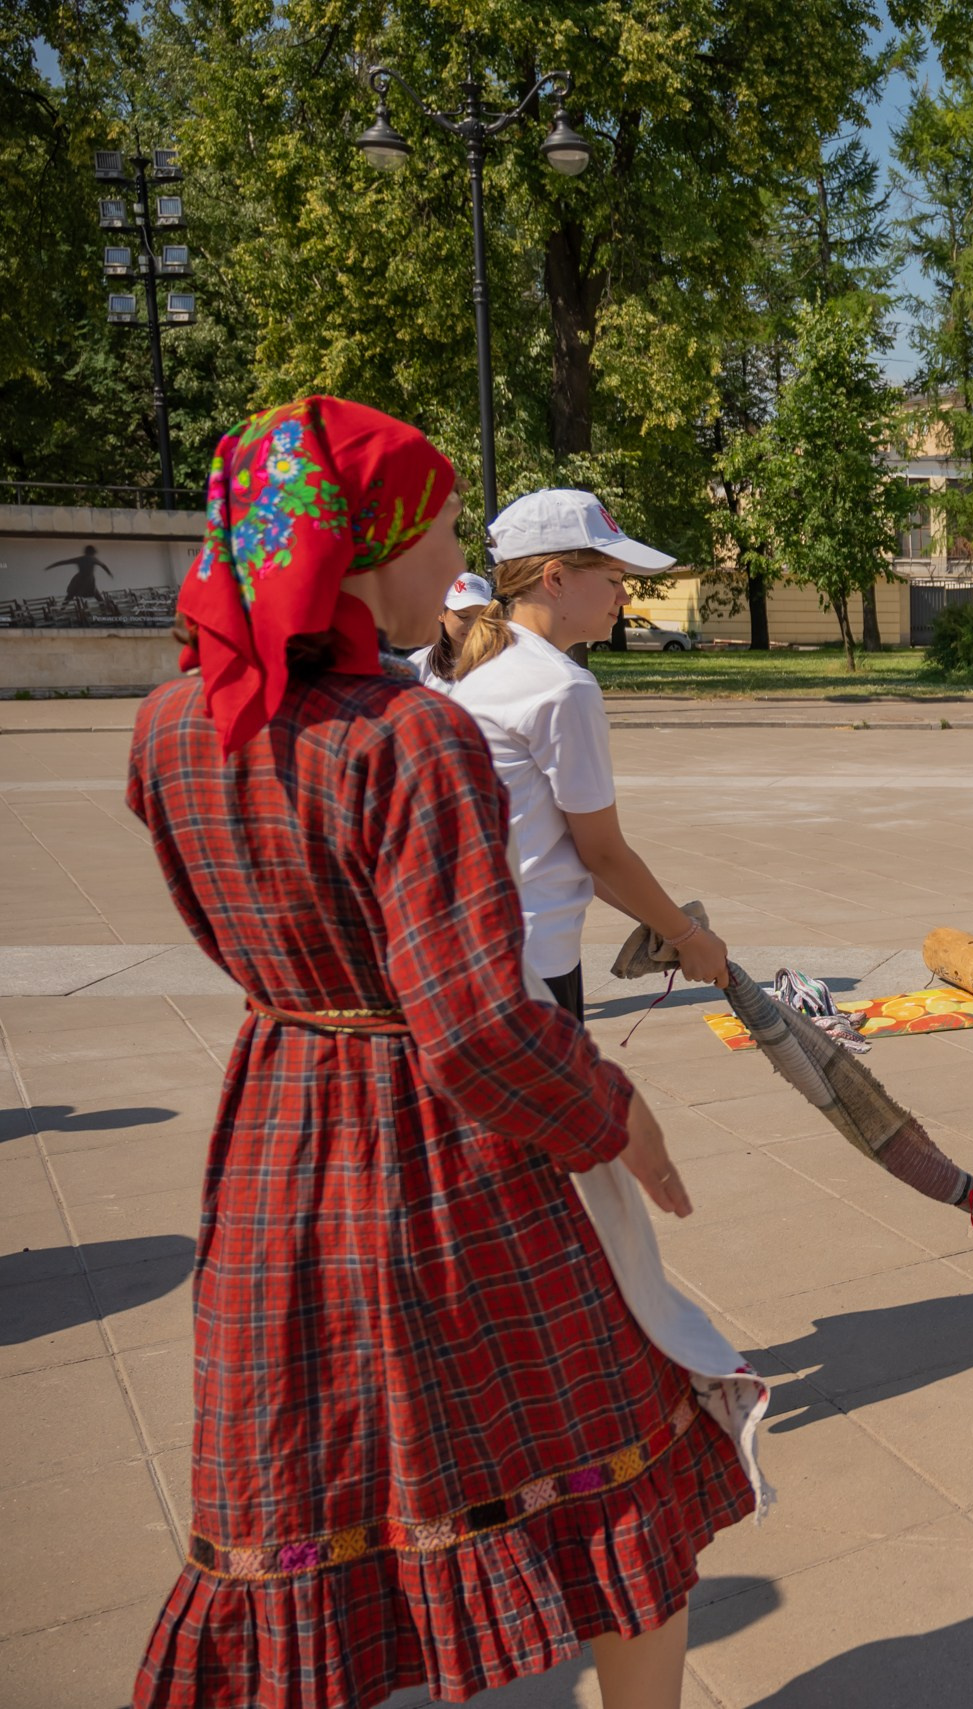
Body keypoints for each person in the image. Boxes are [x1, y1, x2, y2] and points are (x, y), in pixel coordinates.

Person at [125, 397, 750, 1709]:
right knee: (623, 1450)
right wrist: (612, 1108)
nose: (460, 559)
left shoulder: (174, 722)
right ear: (365, 547)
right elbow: (469, 1024)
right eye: (446, 526)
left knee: (312, 1467)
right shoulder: (410, 736)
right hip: (442, 1148)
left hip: (276, 1135)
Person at [430, 490, 729, 1016]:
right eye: (613, 580)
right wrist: (688, 936)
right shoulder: (562, 687)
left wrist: (666, 924)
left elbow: (556, 846)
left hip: (473, 951)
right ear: (556, 579)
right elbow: (601, 852)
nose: (624, 598)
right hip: (532, 964)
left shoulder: (487, 667)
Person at [410, 568, 492, 687]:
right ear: (440, 613)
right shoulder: (418, 666)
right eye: (463, 616)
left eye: (482, 616)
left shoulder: (504, 660)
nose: (473, 625)